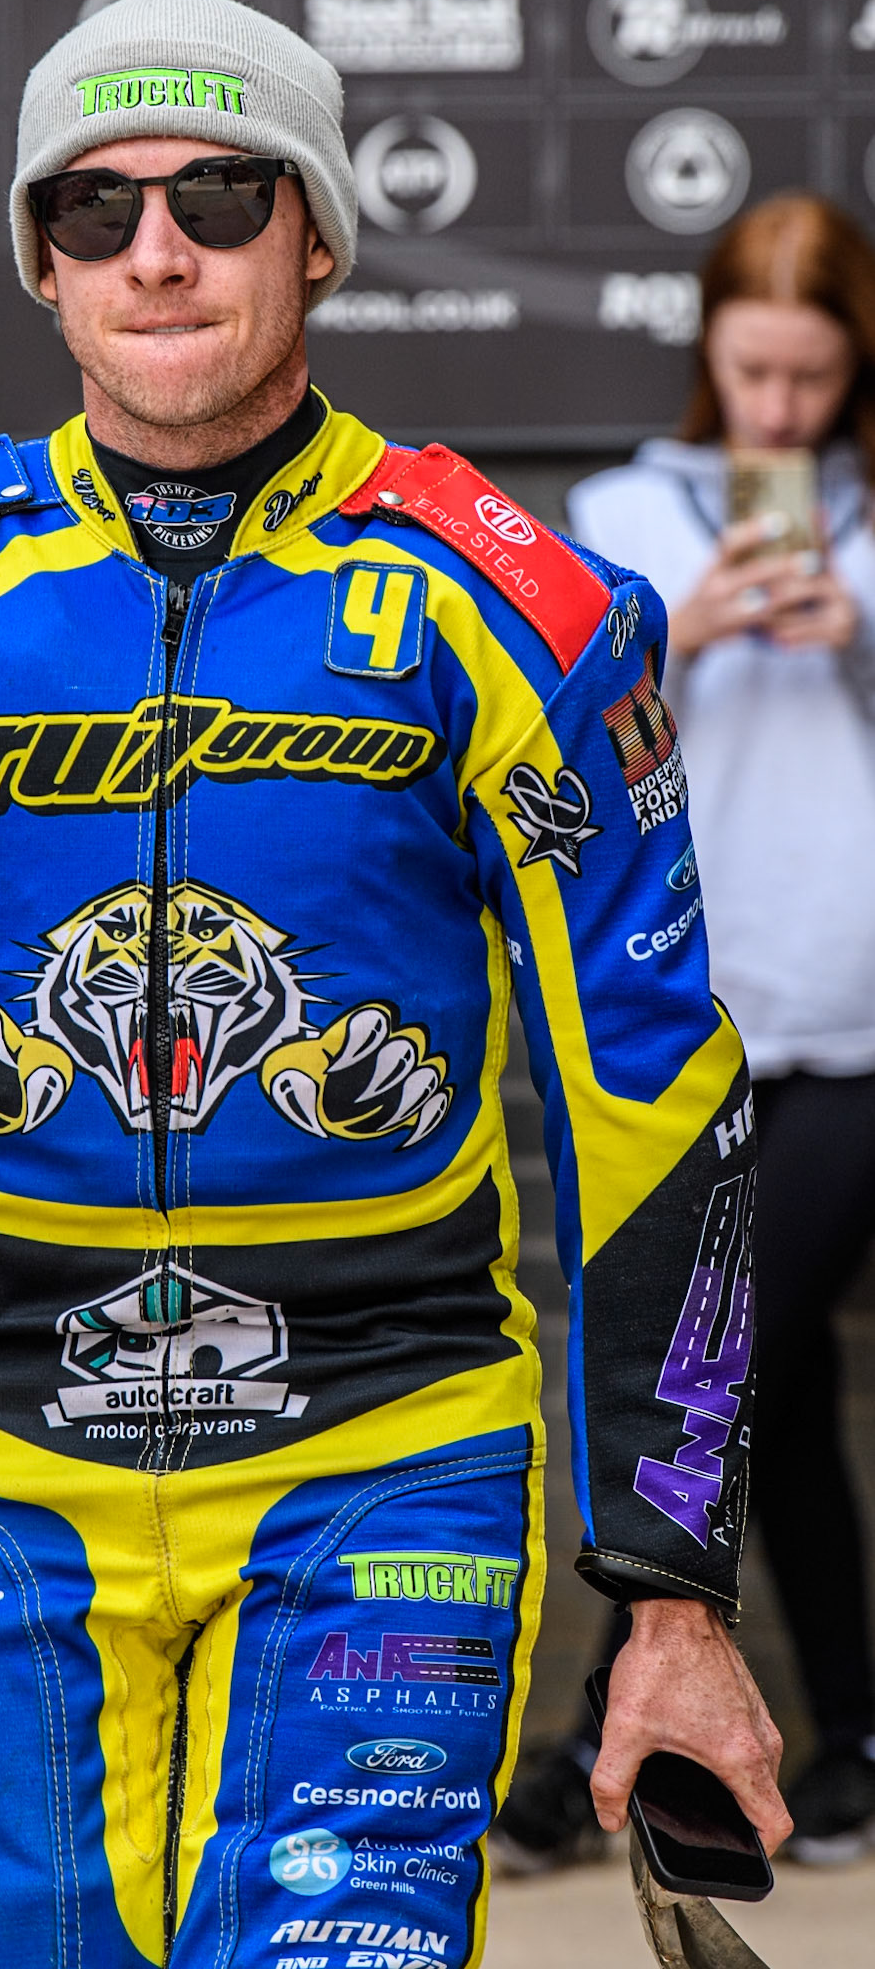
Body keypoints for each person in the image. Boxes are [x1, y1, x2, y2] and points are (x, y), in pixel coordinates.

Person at [0, 0, 789, 1966]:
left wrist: (672, 1596)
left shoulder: (508, 604)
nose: (154, 251)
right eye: (92, 209)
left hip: (384, 1449)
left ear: (315, 233)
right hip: (11, 1465)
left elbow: (649, 1091)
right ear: (39, 260)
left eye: (220, 197)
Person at [494, 192, 875, 1874]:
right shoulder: (619, 520)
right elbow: (553, 763)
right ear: (706, 354)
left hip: (858, 1016)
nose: (777, 408)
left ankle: (596, 1738)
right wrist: (682, 630)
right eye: (751, 370)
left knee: (731, 1363)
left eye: (810, 377)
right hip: (690, 1024)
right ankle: (850, 1746)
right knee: (768, 1384)